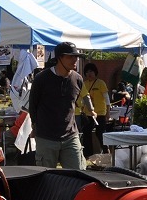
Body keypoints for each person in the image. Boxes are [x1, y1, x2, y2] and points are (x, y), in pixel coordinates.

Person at [26, 41, 86, 170]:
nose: (75, 60)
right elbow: (33, 105)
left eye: (76, 56)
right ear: (59, 58)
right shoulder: (41, 78)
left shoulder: (78, 79)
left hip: (71, 136)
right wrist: (35, 126)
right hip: (46, 137)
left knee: (80, 176)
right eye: (70, 56)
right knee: (46, 178)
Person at [76, 62, 109, 156]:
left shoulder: (101, 83)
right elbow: (82, 98)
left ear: (95, 72)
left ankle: (106, 152)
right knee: (86, 133)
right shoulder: (84, 84)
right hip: (87, 113)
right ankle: (88, 155)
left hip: (100, 113)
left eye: (91, 71)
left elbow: (107, 98)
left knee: (100, 133)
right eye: (87, 72)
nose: (89, 74)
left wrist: (108, 112)